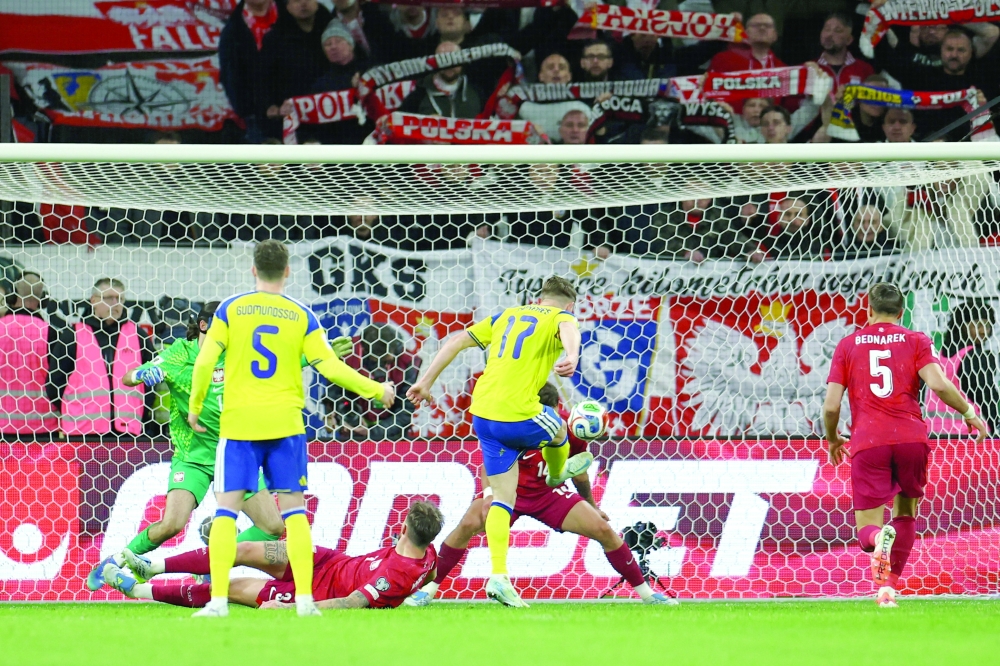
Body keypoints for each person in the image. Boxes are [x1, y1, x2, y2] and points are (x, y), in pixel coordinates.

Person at [186, 240, 395, 617]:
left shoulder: (231, 309)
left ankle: (217, 602)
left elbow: (205, 361)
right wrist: (377, 389)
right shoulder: (301, 315)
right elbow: (330, 368)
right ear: (287, 271)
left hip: (239, 426)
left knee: (226, 513)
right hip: (286, 427)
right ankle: (303, 602)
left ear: (253, 270)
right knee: (295, 515)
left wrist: (195, 406)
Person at [407, 275, 592, 608]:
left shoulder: (505, 316)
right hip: (517, 412)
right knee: (562, 431)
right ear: (570, 304)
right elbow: (570, 331)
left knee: (501, 500)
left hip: (482, 415)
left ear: (538, 297)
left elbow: (454, 341)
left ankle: (499, 577)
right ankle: (555, 473)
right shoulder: (560, 316)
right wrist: (572, 355)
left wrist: (425, 382)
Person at [407, 383, 675, 606]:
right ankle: (427, 591)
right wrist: (489, 494)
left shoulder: (570, 431)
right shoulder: (514, 426)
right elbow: (488, 464)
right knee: (466, 526)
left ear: (558, 409)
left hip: (549, 494)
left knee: (603, 530)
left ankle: (648, 595)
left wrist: (592, 506)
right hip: (507, 490)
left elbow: (580, 473)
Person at [85, 302, 287, 591]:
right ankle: (114, 562)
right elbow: (128, 377)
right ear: (205, 326)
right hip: (193, 457)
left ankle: (208, 561)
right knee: (171, 524)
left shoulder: (240, 356)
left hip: (235, 455)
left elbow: (284, 360)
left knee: (272, 527)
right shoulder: (179, 354)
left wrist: (322, 354)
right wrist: (143, 375)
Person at [822, 283, 988, 607]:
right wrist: (969, 413)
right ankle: (888, 590)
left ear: (868, 310)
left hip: (869, 441)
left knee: (868, 533)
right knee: (906, 515)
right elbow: (939, 384)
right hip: (912, 438)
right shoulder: (916, 340)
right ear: (901, 313)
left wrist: (832, 440)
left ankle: (877, 540)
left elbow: (830, 407)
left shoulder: (848, 345)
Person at [103, 502, 443, 611]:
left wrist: (293, 607)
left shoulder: (396, 573)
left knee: (231, 588)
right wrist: (425, 591)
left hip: (320, 592)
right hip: (327, 562)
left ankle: (136, 590)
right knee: (243, 549)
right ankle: (154, 566)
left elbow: (351, 602)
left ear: (402, 528)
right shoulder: (427, 555)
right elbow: (429, 573)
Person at [57, 277, 156, 437]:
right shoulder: (73, 335)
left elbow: (152, 378)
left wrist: (140, 412)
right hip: (83, 430)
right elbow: (56, 381)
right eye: (109, 298)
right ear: (94, 300)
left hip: (127, 430)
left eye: (120, 298)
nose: (116, 302)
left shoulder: (137, 335)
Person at [326, 323, 419, 441]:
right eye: (381, 361)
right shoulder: (348, 355)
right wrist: (345, 419)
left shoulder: (406, 362)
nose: (385, 365)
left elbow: (405, 411)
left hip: (393, 437)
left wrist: (372, 432)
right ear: (366, 352)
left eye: (389, 361)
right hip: (353, 434)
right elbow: (333, 395)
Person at [0, 272, 60, 435]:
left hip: (3, 426)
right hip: (43, 427)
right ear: (43, 299)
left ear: (12, 295)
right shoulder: (49, 332)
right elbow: (58, 382)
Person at [261, 0, 333, 130]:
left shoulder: (334, 31)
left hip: (333, 112)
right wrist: (270, 106)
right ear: (287, 6)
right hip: (295, 117)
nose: (303, 3)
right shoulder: (274, 39)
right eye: (296, 0)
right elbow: (263, 78)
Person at [220, 0, 283, 142]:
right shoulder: (232, 29)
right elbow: (229, 76)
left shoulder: (293, 13)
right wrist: (249, 110)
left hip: (300, 112)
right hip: (257, 119)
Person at [944, 300, 999, 432]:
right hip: (969, 434)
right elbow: (986, 396)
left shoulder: (941, 355)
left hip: (935, 432)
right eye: (977, 324)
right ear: (961, 326)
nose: (983, 331)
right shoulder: (975, 356)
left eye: (987, 325)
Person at [400, 41, 483, 119]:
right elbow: (400, 122)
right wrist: (424, 122)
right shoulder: (419, 94)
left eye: (454, 60)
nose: (449, 66)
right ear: (435, 62)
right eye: (443, 61)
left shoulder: (476, 92)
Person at [816, 12, 874, 97]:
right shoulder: (810, 68)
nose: (829, 34)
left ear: (849, 40)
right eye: (826, 29)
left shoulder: (865, 69)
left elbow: (872, 105)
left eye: (837, 30)